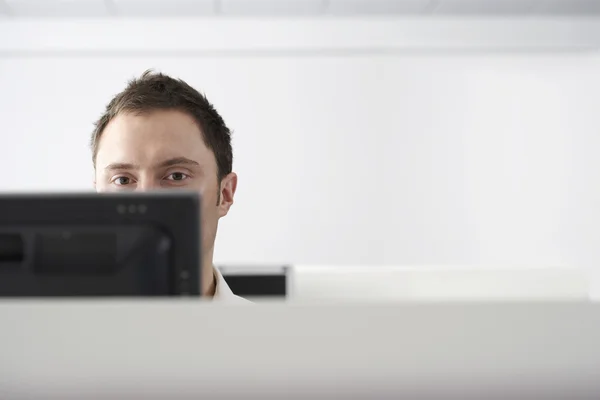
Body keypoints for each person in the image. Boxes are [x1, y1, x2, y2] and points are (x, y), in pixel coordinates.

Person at [91, 70, 248, 303]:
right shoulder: (45, 337)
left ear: (224, 194)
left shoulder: (279, 339)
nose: (146, 201)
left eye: (176, 176)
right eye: (123, 180)